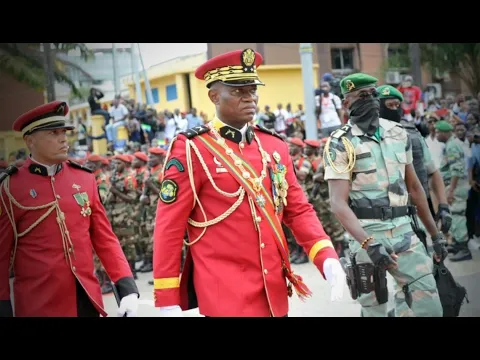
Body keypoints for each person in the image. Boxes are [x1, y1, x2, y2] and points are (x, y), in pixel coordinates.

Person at [152, 48, 345, 317]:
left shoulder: (274, 146)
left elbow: (297, 209)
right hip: (224, 299)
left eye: (252, 89)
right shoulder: (192, 149)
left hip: (274, 295)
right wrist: (167, 299)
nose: (249, 97)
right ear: (214, 96)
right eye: (238, 91)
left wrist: (326, 257)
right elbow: (169, 227)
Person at [0, 101, 139, 317]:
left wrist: (126, 286)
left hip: (87, 300)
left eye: (64, 132)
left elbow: (104, 237)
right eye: (54, 133)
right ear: (30, 140)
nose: (64, 138)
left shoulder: (84, 178)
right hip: (39, 305)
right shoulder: (11, 188)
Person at [324, 73, 447, 317]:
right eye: (362, 95)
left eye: (373, 94)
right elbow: (337, 202)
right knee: (375, 311)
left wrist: (435, 235)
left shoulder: (398, 133)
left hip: (405, 233)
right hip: (366, 236)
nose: (370, 99)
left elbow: (415, 189)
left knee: (430, 307)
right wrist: (369, 244)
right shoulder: (340, 142)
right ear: (347, 103)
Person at [376, 85, 452, 241]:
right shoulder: (363, 138)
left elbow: (433, 171)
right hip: (380, 221)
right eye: (389, 105)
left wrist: (443, 206)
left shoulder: (412, 134)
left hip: (416, 214)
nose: (395, 109)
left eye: (398, 105)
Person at [435, 120, 472, 261]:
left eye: (438, 132)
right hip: (453, 186)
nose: (437, 134)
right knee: (453, 215)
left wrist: (451, 190)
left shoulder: (452, 146)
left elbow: (456, 170)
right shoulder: (451, 144)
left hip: (455, 186)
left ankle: (464, 248)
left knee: (457, 216)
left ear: (445, 133)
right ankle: (457, 245)